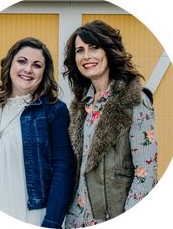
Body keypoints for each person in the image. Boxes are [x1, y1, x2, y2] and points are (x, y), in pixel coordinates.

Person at [0, 37, 75, 228]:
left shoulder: (53, 110)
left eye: (37, 65)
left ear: (44, 73)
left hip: (30, 216)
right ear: (10, 63)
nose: (28, 69)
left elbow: (64, 169)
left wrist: (52, 222)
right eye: (22, 61)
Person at [63, 20, 158, 227]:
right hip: (75, 219)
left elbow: (145, 172)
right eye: (80, 50)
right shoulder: (79, 106)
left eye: (94, 47)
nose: (86, 56)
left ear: (109, 51)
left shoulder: (134, 101)